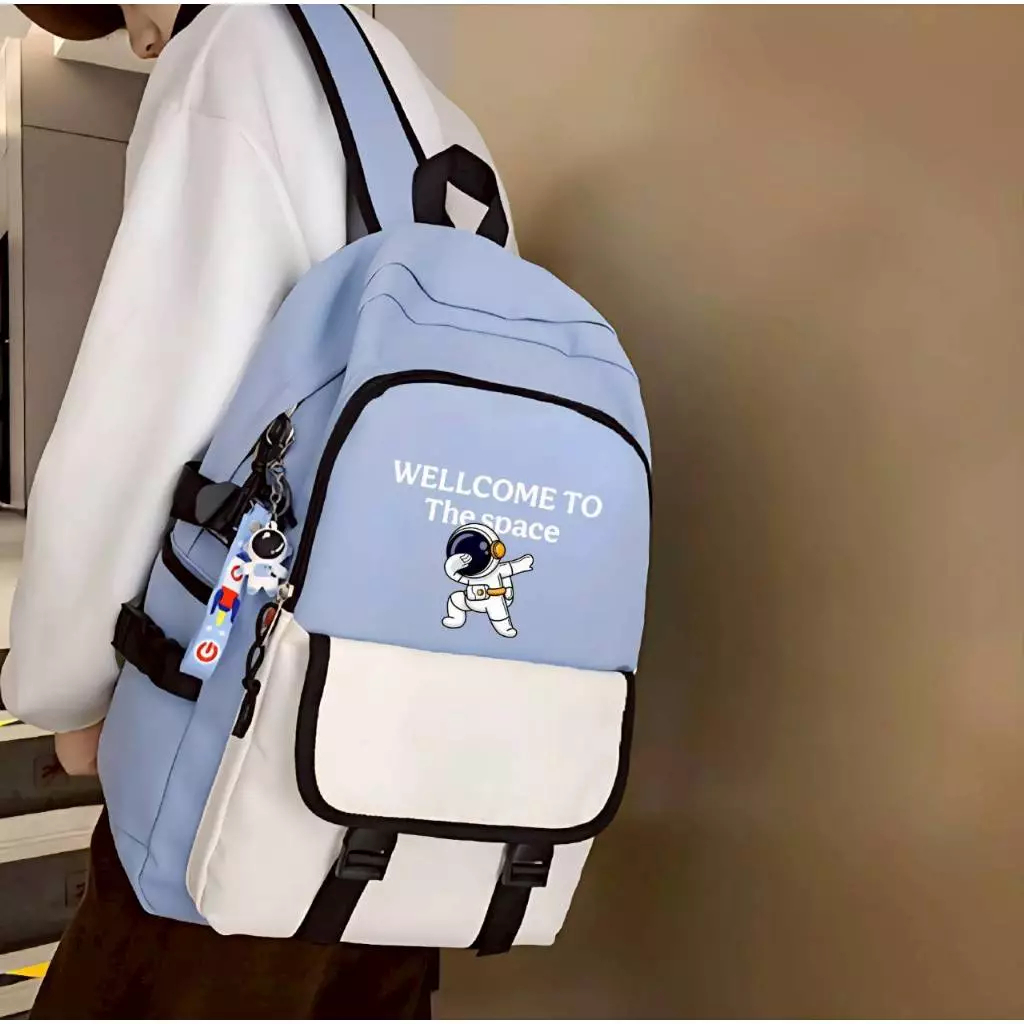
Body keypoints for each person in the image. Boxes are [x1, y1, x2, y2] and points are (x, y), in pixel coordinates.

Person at [3, 4, 510, 1017]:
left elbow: (143, 413)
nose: (144, 42)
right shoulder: (438, 115)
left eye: (129, 16)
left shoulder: (232, 50)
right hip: (420, 747)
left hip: (246, 744)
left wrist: (65, 688)